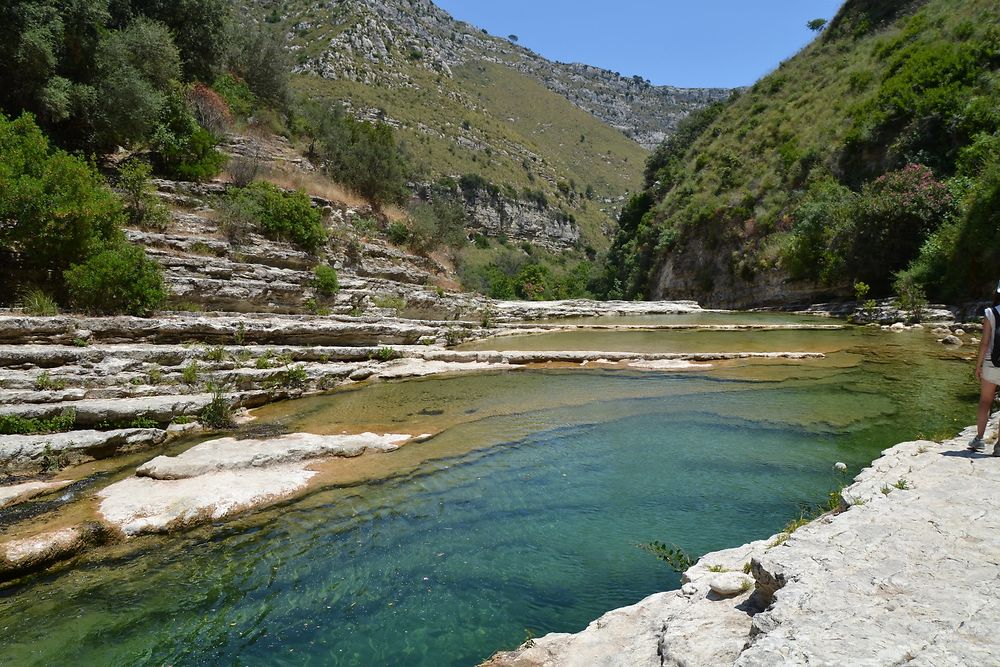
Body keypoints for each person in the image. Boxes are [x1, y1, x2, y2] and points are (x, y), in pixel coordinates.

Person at [970, 280, 1000, 455]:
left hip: (991, 363)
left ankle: (979, 440)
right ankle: (999, 446)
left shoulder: (990, 313)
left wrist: (978, 365)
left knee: (985, 401)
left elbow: (984, 343)